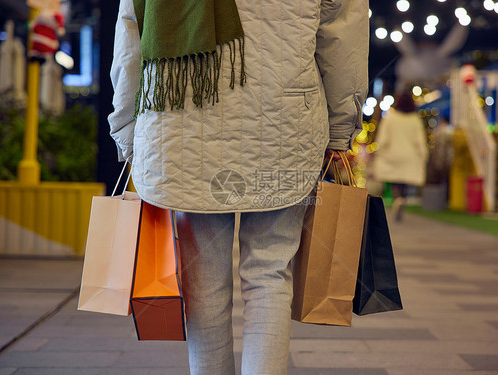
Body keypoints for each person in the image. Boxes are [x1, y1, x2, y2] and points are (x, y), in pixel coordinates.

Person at [107, 0, 369, 374]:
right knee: (270, 274)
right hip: (285, 126)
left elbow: (131, 34)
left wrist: (127, 130)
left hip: (183, 124)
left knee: (203, 280)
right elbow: (343, 38)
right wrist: (343, 125)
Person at [372, 92, 428, 221]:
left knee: (395, 181)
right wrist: (424, 155)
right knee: (404, 182)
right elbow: (420, 141)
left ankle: (397, 198)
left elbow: (383, 139)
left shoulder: (390, 117)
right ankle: (402, 199)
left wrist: (378, 151)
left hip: (392, 155)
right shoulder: (415, 120)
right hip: (409, 156)